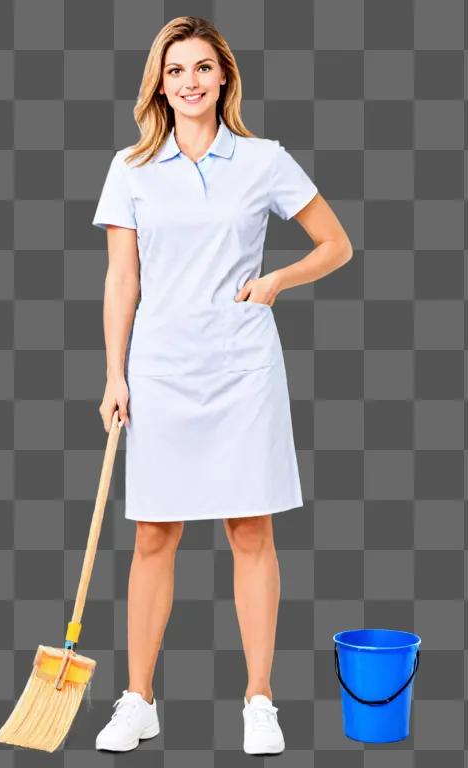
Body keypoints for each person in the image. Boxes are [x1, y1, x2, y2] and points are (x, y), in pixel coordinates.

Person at [90, 16, 353, 756]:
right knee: (153, 535)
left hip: (242, 368)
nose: (191, 81)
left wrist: (276, 280)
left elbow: (336, 243)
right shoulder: (132, 166)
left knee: (251, 529)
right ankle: (139, 699)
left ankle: (259, 701)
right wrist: (115, 372)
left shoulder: (263, 160)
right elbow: (121, 281)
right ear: (159, 83)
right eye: (176, 70)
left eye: (204, 67)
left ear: (224, 78)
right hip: (162, 369)